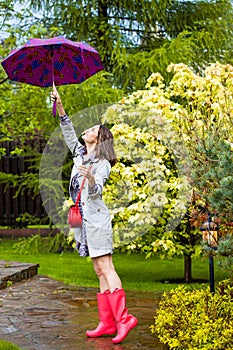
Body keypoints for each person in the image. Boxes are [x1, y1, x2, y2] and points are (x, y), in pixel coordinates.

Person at [50, 87, 138, 344]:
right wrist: (60, 105)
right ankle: (107, 322)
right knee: (98, 270)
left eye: (91, 130)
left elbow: (98, 189)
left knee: (107, 266)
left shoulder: (102, 163)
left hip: (98, 220)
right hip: (83, 220)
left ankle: (124, 319)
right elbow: (68, 133)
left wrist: (90, 179)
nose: (86, 131)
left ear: (98, 140)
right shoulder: (81, 154)